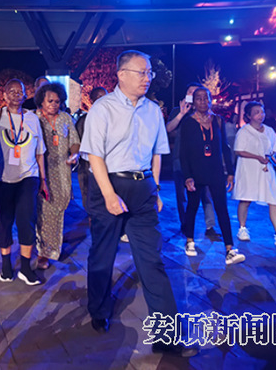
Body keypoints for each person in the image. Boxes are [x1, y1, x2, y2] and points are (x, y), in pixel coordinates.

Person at [80, 50, 196, 358]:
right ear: (121, 75)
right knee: (103, 254)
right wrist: (108, 195)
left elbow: (157, 152)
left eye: (149, 73)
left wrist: (155, 189)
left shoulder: (153, 111)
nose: (147, 78)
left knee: (152, 260)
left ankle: (167, 336)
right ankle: (99, 310)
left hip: (143, 187)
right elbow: (94, 156)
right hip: (110, 184)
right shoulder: (103, 108)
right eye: (141, 72)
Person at [179, 87, 245, 265]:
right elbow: (183, 152)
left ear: (210, 100)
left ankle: (229, 249)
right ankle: (190, 241)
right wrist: (187, 176)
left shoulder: (218, 120)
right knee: (192, 206)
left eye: (206, 98)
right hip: (195, 171)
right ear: (194, 102)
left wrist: (230, 172)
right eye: (199, 98)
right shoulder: (188, 123)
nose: (203, 101)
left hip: (215, 171)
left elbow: (225, 147)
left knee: (222, 208)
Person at [0, 79, 46, 285]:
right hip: (1, 178)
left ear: (25, 95)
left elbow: (40, 151)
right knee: (4, 221)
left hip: (28, 177)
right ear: (4, 95)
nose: (16, 94)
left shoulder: (32, 118)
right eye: (11, 91)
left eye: (20, 91)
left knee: (26, 220)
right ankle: (6, 265)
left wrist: (43, 180)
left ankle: (25, 267)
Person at [232, 101, 276, 246]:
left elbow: (275, 147)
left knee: (273, 199)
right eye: (256, 112)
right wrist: (257, 157)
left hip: (266, 169)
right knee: (246, 199)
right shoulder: (244, 131)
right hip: (249, 169)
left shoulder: (269, 130)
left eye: (261, 112)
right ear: (248, 116)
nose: (260, 115)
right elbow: (238, 150)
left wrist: (272, 155)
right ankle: (242, 228)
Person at [34, 82, 80, 270]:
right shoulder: (34, 118)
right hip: (41, 171)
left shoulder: (65, 118)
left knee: (58, 210)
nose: (54, 104)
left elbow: (74, 140)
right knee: (44, 212)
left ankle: (51, 246)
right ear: (41, 101)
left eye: (57, 101)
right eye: (50, 101)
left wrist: (74, 155)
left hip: (62, 172)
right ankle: (43, 252)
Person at [165, 83, 216, 234]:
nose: (192, 95)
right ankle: (185, 223)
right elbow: (168, 129)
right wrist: (182, 113)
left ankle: (210, 226)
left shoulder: (206, 113)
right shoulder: (178, 111)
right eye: (189, 92)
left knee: (206, 193)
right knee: (182, 194)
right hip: (180, 158)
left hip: (202, 160)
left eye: (196, 93)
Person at [76, 87, 107, 214]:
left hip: (109, 164)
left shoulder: (115, 119)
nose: (103, 100)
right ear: (92, 100)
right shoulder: (84, 120)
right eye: (99, 97)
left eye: (104, 96)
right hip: (87, 165)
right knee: (88, 194)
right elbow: (77, 141)